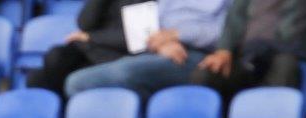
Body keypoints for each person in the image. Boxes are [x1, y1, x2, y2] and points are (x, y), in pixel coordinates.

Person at [63, 0, 228, 100]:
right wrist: (162, 43)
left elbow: (228, 34)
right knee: (74, 79)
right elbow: (151, 25)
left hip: (201, 56)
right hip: (162, 50)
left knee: (122, 72)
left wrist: (179, 35)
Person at [192, 0, 306, 98]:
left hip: (281, 55)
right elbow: (234, 18)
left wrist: (256, 50)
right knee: (207, 72)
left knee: (285, 64)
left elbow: (294, 35)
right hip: (246, 57)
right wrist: (224, 51)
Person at [26, 0, 135, 96]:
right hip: (92, 49)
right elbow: (84, 24)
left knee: (61, 77)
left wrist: (91, 37)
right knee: (48, 65)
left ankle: (68, 112)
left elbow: (135, 38)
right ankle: (58, 114)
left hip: (120, 55)